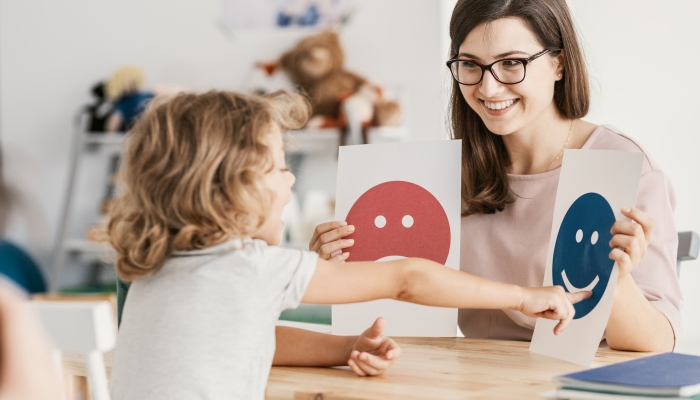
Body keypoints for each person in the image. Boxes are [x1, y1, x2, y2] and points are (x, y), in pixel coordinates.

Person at [107, 90, 587, 399]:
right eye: (277, 167)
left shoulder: (156, 269)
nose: (290, 177)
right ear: (228, 190)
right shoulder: (250, 267)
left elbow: (250, 338)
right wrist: (525, 296)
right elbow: (407, 277)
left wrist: (347, 346)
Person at [311, 0, 682, 353]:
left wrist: (614, 277)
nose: (488, 88)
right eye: (470, 64)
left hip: (580, 380)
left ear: (559, 64)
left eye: (511, 63)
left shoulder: (620, 163)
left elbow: (658, 342)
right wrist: (334, 270)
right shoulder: (441, 176)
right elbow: (403, 300)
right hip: (476, 376)